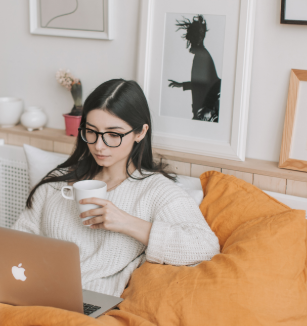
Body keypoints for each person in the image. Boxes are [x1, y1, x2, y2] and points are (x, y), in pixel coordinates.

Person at [12, 79, 220, 298]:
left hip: (89, 306)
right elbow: (16, 240)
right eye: (91, 131)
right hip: (34, 292)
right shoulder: (58, 182)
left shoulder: (155, 191)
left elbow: (205, 246)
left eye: (113, 134)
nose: (99, 145)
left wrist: (127, 223)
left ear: (140, 133)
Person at [167, 15, 221, 122]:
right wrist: (181, 85)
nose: (189, 41)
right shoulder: (201, 55)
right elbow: (200, 83)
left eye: (190, 39)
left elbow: (208, 84)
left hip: (205, 112)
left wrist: (207, 109)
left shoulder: (202, 56)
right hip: (204, 110)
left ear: (196, 39)